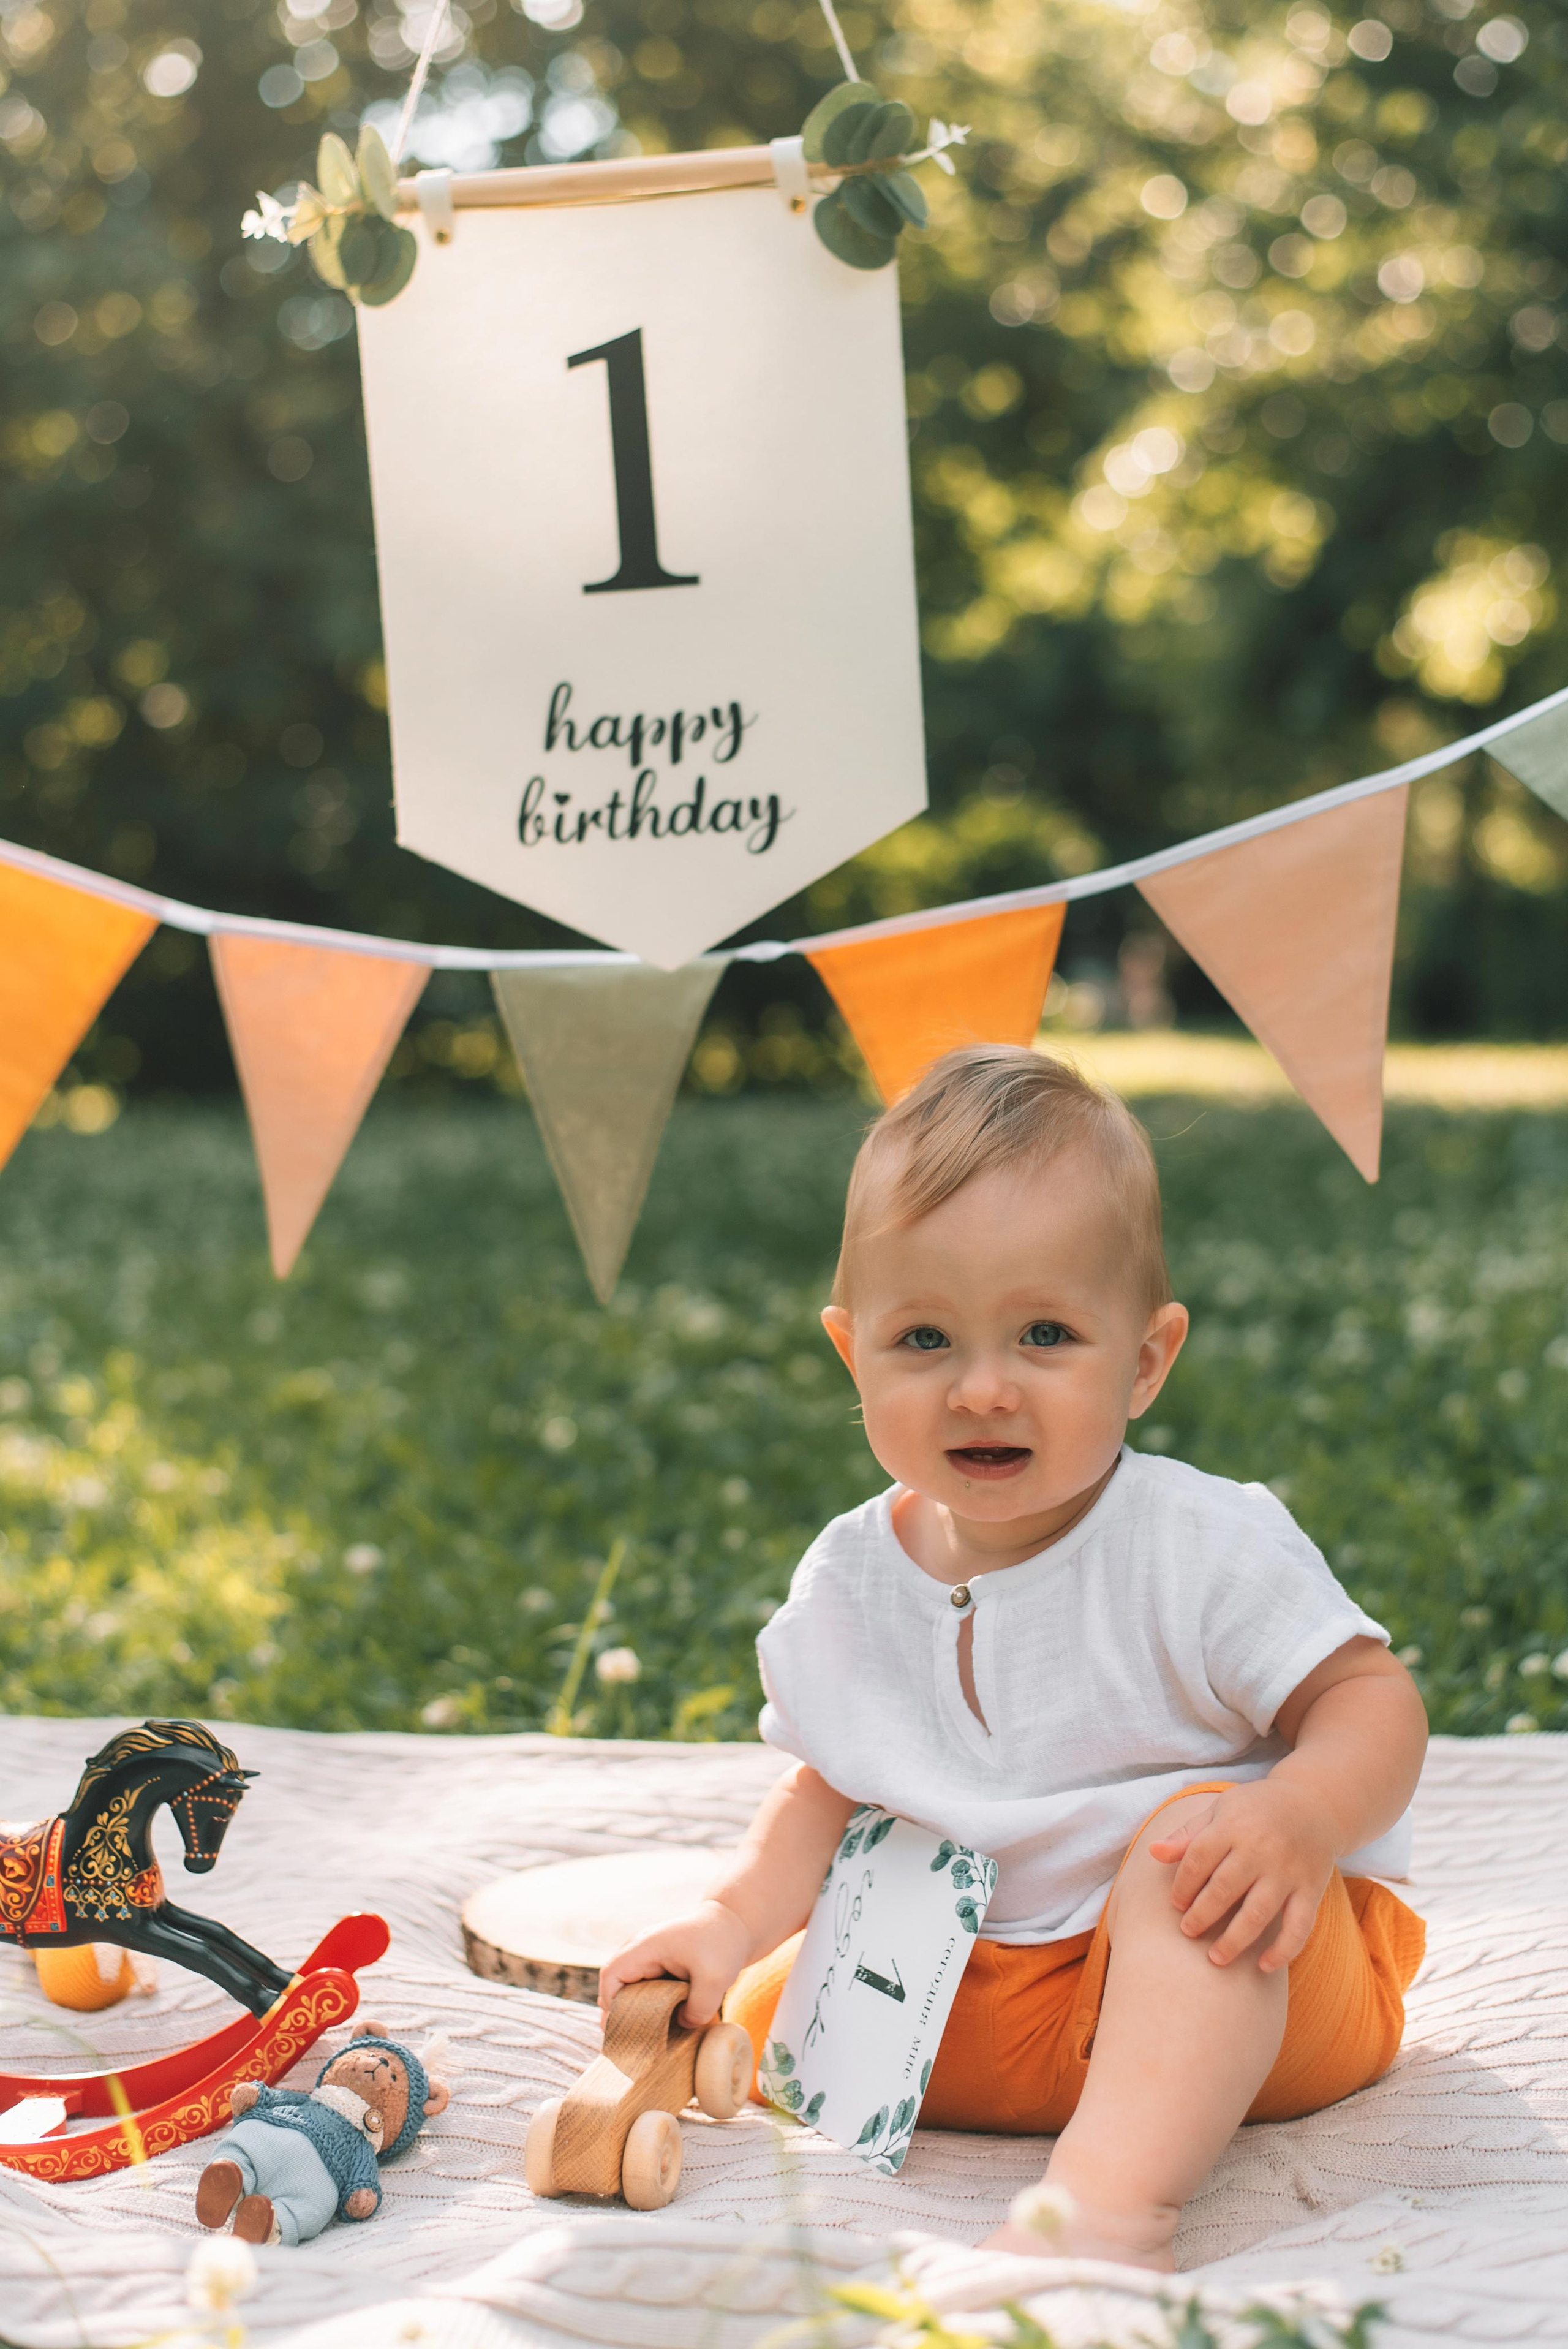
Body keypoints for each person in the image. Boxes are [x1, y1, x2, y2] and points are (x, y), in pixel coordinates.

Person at [599, 1045, 1427, 2271]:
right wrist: (727, 1924)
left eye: (1044, 1334)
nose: (981, 1390)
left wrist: (1295, 1820)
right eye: (923, 1340)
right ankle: (1003, 2099)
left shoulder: (1196, 1546)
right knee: (785, 2001)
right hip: (978, 1996)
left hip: (1245, 1979)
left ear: (1142, 1360)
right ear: (851, 1354)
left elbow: (1372, 1700)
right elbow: (833, 1787)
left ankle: (1106, 2206)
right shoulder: (848, 1575)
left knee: (1186, 1854)